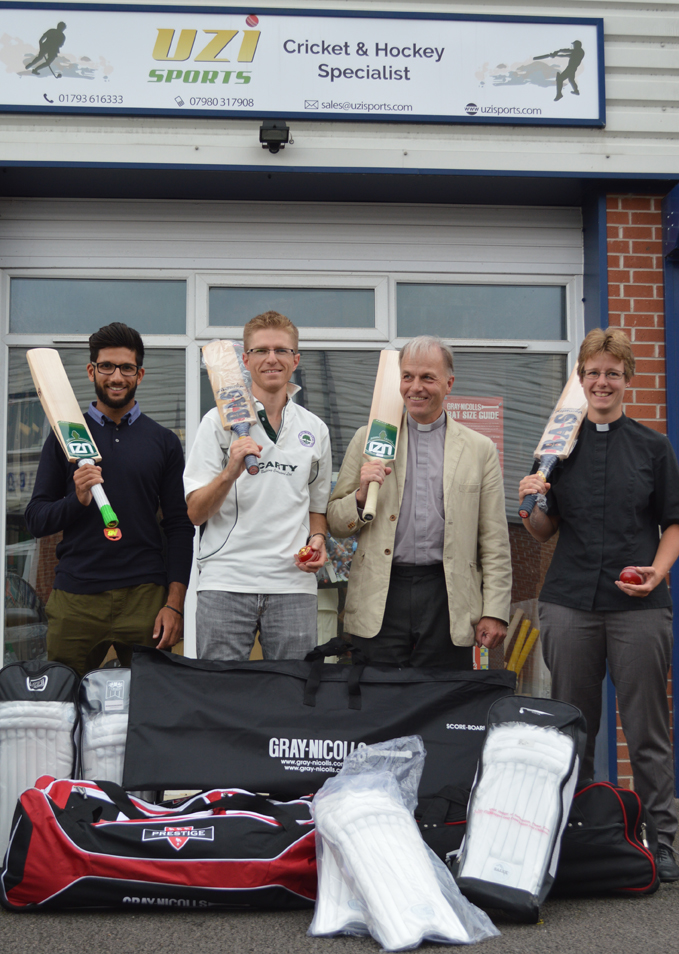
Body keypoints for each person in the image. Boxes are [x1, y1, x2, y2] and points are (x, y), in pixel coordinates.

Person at [518, 327, 679, 882]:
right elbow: (543, 531)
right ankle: (574, 831)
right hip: (569, 603)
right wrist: (528, 505)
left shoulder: (654, 447)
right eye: (593, 373)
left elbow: (673, 522)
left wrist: (659, 570)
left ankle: (663, 838)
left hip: (639, 605)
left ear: (627, 380)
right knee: (573, 723)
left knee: (646, 726)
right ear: (580, 380)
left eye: (613, 372)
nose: (602, 381)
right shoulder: (556, 447)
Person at [327, 335, 512, 669]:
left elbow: (495, 540)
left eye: (428, 377)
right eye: (408, 376)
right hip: (381, 592)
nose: (416, 387)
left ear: (449, 383)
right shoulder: (369, 438)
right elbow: (337, 525)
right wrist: (359, 495)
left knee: (439, 705)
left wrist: (494, 610)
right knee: (377, 702)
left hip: (448, 594)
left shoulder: (478, 449)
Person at [25, 323, 194, 676]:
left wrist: (174, 605)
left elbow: (179, 525)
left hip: (145, 596)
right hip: (76, 598)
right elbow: (36, 519)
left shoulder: (162, 441)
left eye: (126, 368)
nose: (117, 376)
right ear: (92, 371)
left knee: (152, 709)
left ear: (140, 374)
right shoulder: (64, 436)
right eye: (107, 367)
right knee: (62, 708)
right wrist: (79, 498)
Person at [184, 311, 332, 661]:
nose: (271, 358)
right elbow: (194, 512)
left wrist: (318, 539)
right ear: (245, 360)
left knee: (293, 697)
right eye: (261, 350)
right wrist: (229, 472)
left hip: (293, 584)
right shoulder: (216, 423)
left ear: (295, 360)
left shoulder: (315, 429)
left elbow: (317, 508)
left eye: (281, 350)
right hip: (227, 581)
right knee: (218, 697)